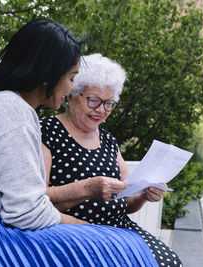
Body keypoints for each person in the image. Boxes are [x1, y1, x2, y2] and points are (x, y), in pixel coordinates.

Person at [0, 19, 157, 266]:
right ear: (49, 75)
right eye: (71, 78)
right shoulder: (12, 112)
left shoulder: (7, 107)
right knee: (125, 248)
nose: (70, 87)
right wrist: (96, 230)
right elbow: (27, 212)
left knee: (125, 245)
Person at [40, 53, 183, 266]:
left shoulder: (108, 140)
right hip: (73, 233)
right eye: (93, 100)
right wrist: (89, 187)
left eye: (109, 104)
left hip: (118, 228)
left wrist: (145, 193)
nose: (101, 110)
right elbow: (35, 197)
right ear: (71, 95)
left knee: (169, 261)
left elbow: (126, 202)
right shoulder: (47, 131)